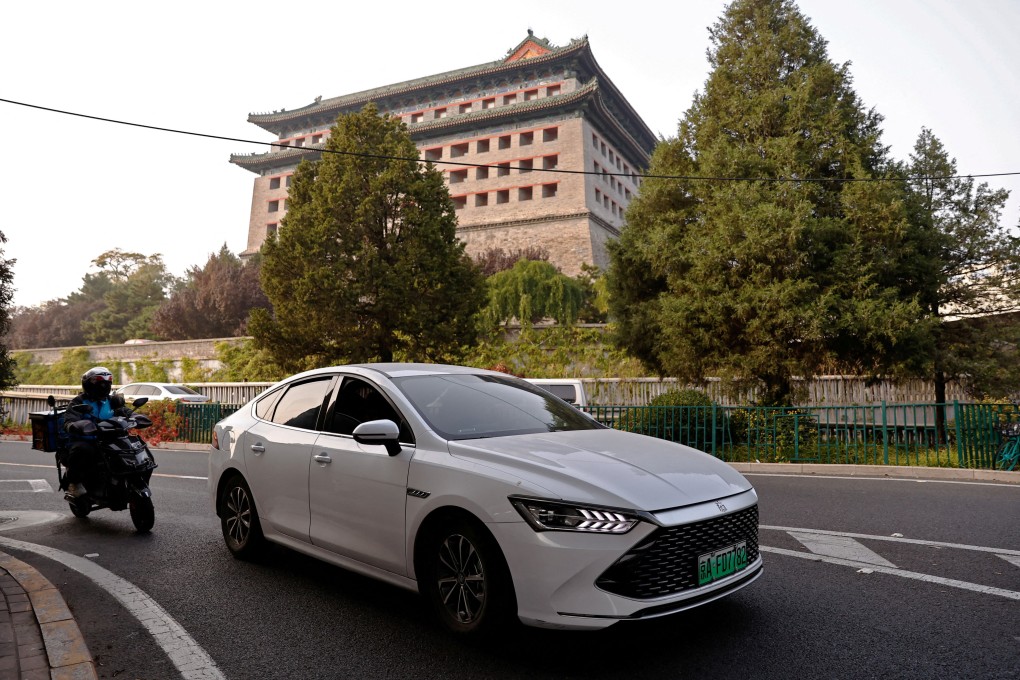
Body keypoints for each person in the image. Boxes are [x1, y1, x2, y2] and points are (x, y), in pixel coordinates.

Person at [62, 366, 127, 498]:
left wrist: (136, 417)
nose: (104, 387)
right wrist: (75, 425)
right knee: (82, 450)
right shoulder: (79, 401)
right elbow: (69, 420)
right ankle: (74, 483)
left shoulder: (112, 400)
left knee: (132, 445)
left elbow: (124, 412)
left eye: (107, 383)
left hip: (110, 439)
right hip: (88, 440)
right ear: (89, 385)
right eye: (100, 383)